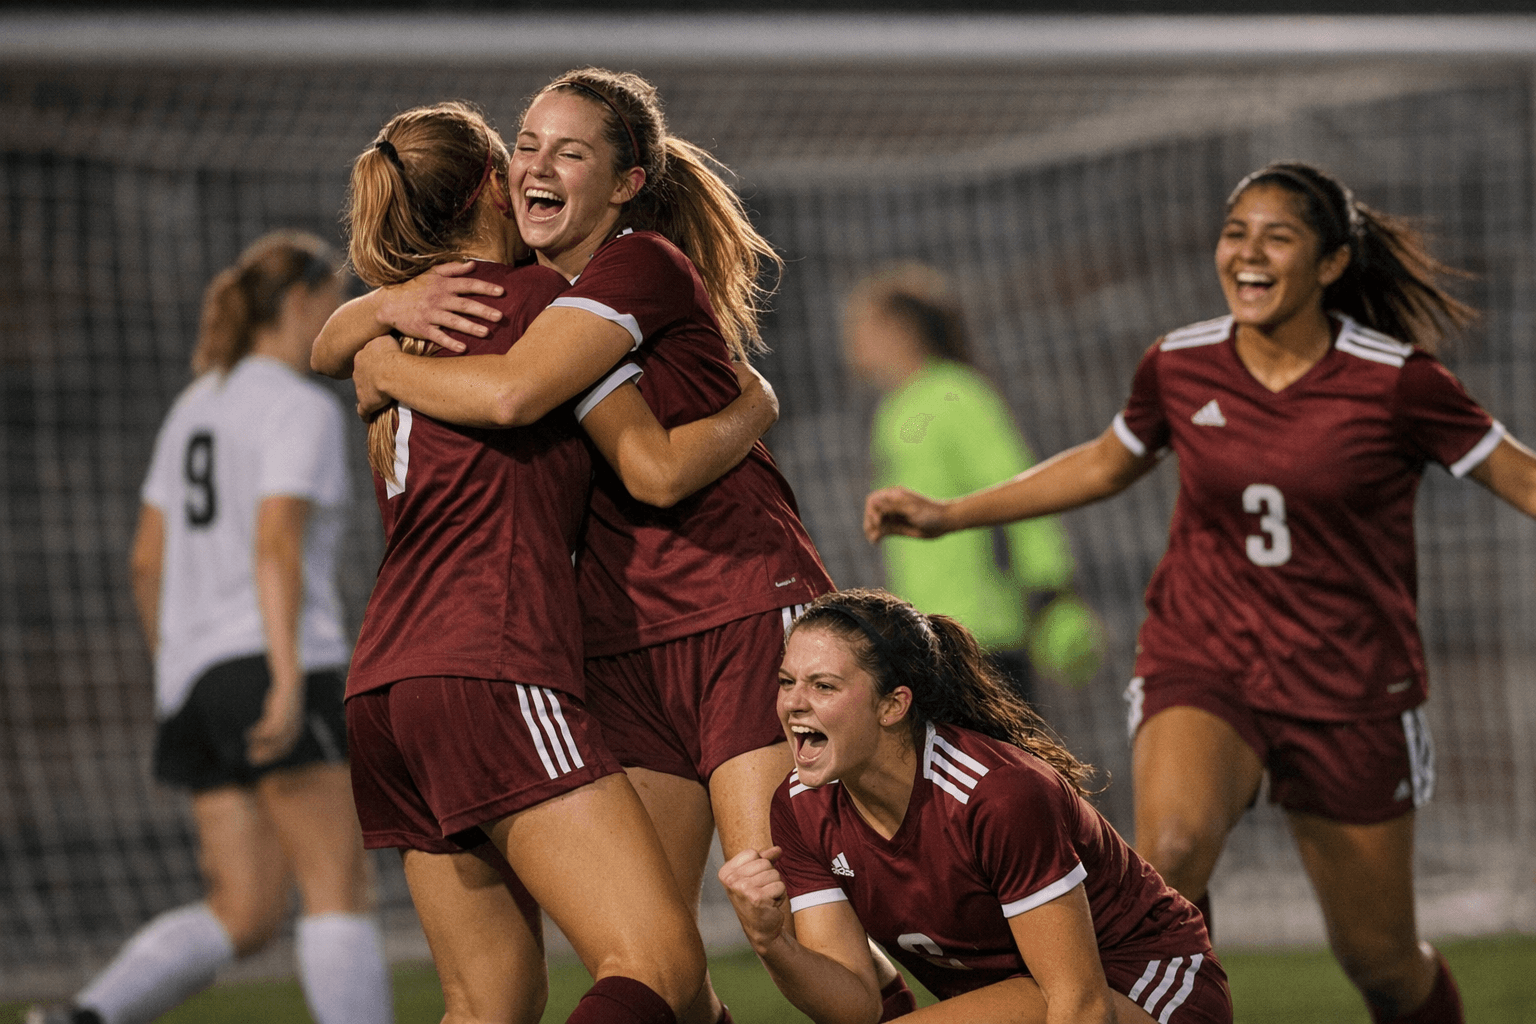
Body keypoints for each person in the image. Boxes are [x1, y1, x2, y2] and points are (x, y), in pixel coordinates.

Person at [864, 161, 1536, 1024]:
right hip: (1204, 657)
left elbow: (1522, 480)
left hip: (1351, 691)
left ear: (1331, 264)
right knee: (1170, 859)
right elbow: (1108, 461)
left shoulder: (1398, 382)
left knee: (1382, 961)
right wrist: (953, 514)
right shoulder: (1181, 363)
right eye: (1235, 233)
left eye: (1278, 237)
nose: (1248, 254)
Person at [316, 69, 918, 1024]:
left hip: (736, 613)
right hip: (589, 648)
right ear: (488, 180)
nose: (538, 168)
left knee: (791, 929)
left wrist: (372, 339)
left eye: (570, 151)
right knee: (659, 964)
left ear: (628, 183)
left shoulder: (617, 275)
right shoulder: (522, 311)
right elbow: (603, 444)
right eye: (525, 146)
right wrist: (757, 400)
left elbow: (646, 468)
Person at [28, 232, 393, 1024]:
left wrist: (179, 673)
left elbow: (145, 561)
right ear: (299, 302)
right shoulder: (296, 406)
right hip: (273, 663)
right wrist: (287, 679)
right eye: (331, 303)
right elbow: (276, 542)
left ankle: (83, 1016)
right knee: (337, 887)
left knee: (245, 909)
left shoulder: (193, 405)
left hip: (195, 680)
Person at [719, 588, 1230, 1024]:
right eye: (787, 682)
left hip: (1150, 992)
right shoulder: (799, 804)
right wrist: (773, 944)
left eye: (823, 685)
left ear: (893, 705)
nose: (793, 703)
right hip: (1028, 996)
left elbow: (1079, 1002)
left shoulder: (998, 794)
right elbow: (854, 1003)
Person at [842, 264, 1103, 699]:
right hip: (928, 632)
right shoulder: (893, 411)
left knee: (1007, 760)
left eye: (863, 324)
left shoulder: (957, 393)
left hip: (987, 627)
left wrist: (1051, 588)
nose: (852, 339)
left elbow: (1016, 486)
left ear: (901, 329)